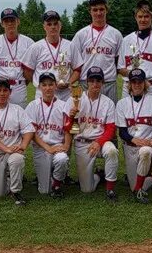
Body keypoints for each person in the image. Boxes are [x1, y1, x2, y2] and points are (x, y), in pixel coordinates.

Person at [63, 67, 119, 202]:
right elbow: (69, 129)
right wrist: (71, 118)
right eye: (92, 80)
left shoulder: (108, 102)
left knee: (112, 151)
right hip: (82, 143)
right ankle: (99, 175)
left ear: (103, 83)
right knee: (87, 189)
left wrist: (99, 142)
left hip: (101, 141)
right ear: (86, 82)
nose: (95, 84)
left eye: (98, 80)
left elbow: (111, 129)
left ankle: (110, 189)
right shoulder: (75, 98)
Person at [115, 68, 152, 204]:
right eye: (134, 82)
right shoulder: (122, 104)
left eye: (140, 81)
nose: (137, 85)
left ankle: (138, 191)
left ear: (145, 83)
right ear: (129, 84)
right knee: (133, 185)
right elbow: (122, 132)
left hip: (147, 146)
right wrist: (134, 140)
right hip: (130, 146)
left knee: (146, 152)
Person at [71, 0, 123, 104]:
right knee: (86, 116)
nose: (98, 13)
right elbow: (75, 62)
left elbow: (119, 62)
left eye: (101, 9)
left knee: (110, 117)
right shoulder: (81, 34)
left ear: (106, 10)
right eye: (95, 10)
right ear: (90, 11)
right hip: (87, 82)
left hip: (108, 82)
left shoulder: (116, 34)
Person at [22, 10, 83, 101]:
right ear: (44, 27)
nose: (53, 27)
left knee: (65, 115)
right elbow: (27, 71)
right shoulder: (36, 47)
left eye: (55, 24)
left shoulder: (70, 46)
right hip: (42, 94)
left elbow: (78, 69)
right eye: (49, 24)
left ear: (60, 25)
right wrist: (41, 84)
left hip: (64, 94)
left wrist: (68, 82)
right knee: (42, 115)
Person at [25, 72, 69, 198]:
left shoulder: (63, 105)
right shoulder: (33, 106)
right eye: (44, 85)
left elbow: (68, 129)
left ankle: (56, 184)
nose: (48, 88)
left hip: (57, 146)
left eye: (51, 84)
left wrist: (66, 146)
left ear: (56, 86)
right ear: (39, 87)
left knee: (62, 159)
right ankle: (49, 175)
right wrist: (47, 148)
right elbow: (32, 133)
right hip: (40, 148)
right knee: (44, 191)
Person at [117, 0, 152, 98]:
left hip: (151, 88)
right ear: (135, 17)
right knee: (127, 113)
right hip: (130, 86)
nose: (143, 20)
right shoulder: (126, 40)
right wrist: (133, 74)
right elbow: (120, 68)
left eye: (146, 16)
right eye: (140, 16)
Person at [0, 8, 34, 108]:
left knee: (19, 119)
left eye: (12, 20)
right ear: (2, 23)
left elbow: (30, 70)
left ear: (18, 21)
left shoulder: (28, 42)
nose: (10, 24)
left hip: (19, 87)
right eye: (6, 21)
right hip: (0, 87)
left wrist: (22, 82)